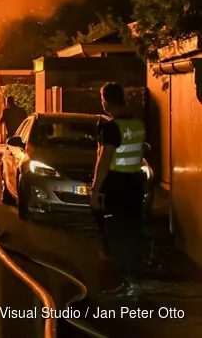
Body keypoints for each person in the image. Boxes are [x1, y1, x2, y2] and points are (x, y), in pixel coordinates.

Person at [90, 82, 147, 298]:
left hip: (117, 187)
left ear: (106, 101)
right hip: (135, 186)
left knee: (115, 234)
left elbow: (104, 161)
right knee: (132, 232)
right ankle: (134, 280)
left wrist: (95, 191)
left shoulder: (111, 127)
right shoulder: (138, 123)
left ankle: (122, 283)